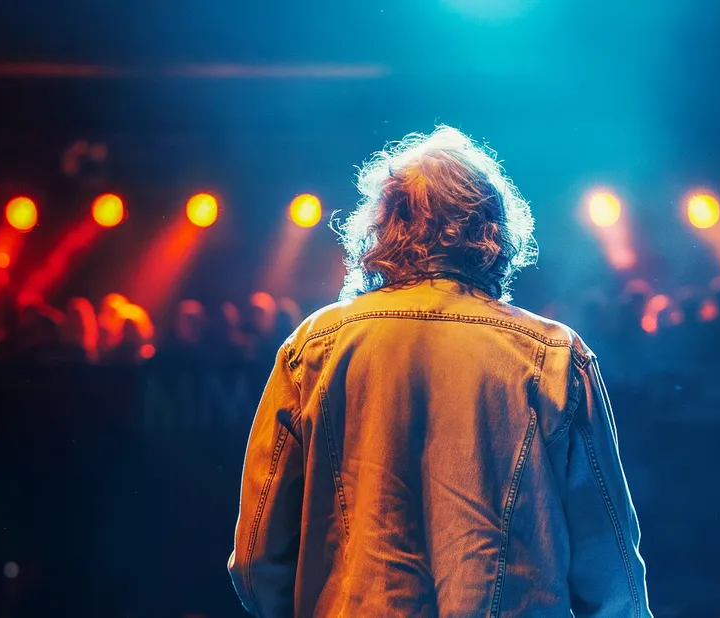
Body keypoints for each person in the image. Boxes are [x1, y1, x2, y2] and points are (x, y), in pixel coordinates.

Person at [228, 126, 652, 617]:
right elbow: (610, 563)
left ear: (383, 226)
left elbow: (257, 555)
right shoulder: (552, 354)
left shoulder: (315, 346)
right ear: (491, 229)